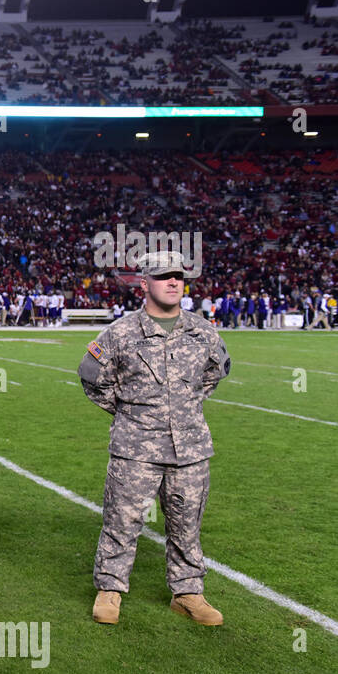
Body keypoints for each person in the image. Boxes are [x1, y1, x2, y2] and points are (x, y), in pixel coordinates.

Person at [78, 250, 231, 626]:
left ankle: (188, 592)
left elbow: (216, 372)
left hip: (190, 447)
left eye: (178, 275)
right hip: (136, 448)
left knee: (186, 523)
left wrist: (185, 405)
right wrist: (132, 412)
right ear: (144, 284)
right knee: (122, 519)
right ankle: (110, 590)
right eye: (164, 276)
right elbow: (93, 380)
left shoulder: (202, 331)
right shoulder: (121, 333)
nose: (174, 282)